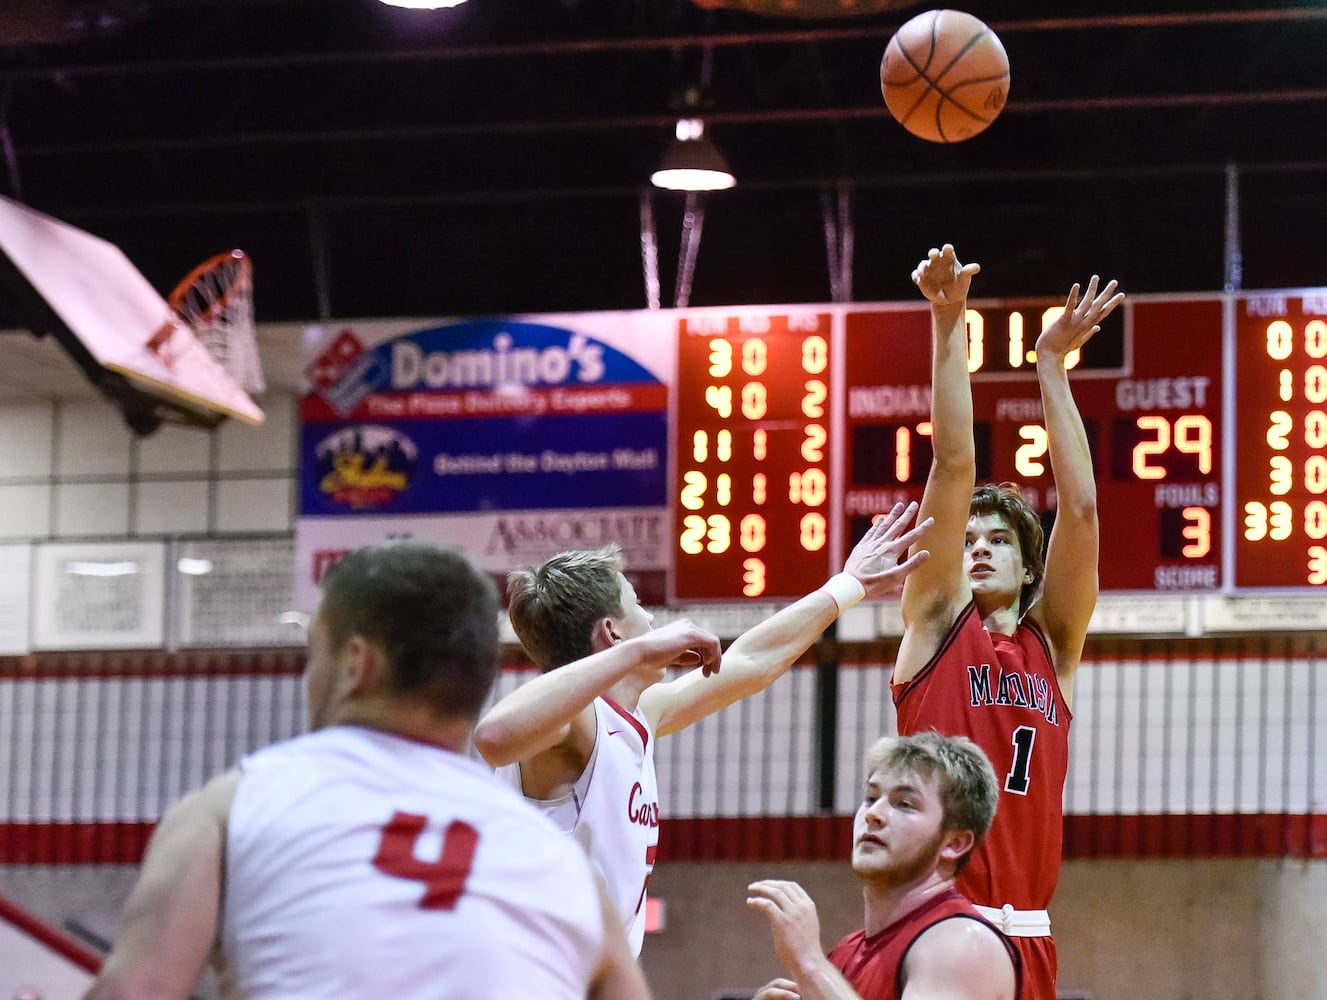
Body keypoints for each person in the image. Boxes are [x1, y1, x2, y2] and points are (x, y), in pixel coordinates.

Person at [84, 541, 651, 1000]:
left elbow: (136, 989)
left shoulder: (232, 808)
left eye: (316, 654)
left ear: (356, 664)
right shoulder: (558, 863)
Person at [473, 502, 934, 955]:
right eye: (639, 606)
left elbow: (753, 661)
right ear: (613, 633)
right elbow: (492, 736)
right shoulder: (578, 720)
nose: (653, 620)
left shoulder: (636, 712)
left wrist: (846, 586)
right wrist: (635, 654)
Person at [890, 244, 1124, 1000]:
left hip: (1027, 935)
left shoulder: (1050, 646)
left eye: (998, 541)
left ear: (1028, 568)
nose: (978, 548)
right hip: (935, 923)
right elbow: (952, 465)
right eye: (968, 540)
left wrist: (1051, 367)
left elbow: (1081, 512)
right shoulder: (933, 622)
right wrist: (947, 324)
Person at [746, 731, 1019, 1000]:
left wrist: (810, 965)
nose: (874, 814)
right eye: (871, 797)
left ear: (955, 843)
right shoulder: (847, 952)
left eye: (904, 804)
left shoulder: (963, 945)